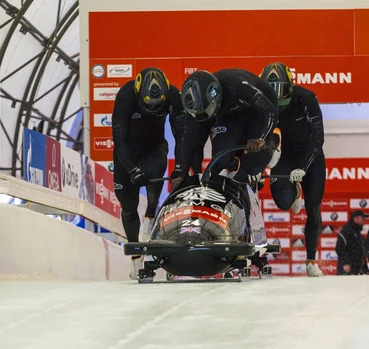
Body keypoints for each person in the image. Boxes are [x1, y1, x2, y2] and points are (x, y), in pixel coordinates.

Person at [111, 67, 186, 279]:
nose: (152, 109)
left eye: (157, 106)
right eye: (147, 105)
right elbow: (119, 140)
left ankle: (152, 217)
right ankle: (136, 255)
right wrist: (132, 169)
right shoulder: (125, 97)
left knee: (154, 180)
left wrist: (180, 166)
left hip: (154, 148)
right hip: (127, 152)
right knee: (128, 204)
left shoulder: (173, 96)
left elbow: (181, 134)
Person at [258, 62, 326, 277]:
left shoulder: (306, 98)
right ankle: (294, 191)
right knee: (283, 202)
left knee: (313, 207)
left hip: (310, 156)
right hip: (283, 156)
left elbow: (318, 137)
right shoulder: (259, 102)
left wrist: (304, 167)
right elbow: (256, 137)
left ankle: (311, 259)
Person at [171, 68, 280, 191]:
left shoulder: (239, 87)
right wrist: (181, 173)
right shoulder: (196, 107)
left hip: (259, 113)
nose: (203, 116)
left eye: (206, 110)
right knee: (220, 161)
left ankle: (273, 143)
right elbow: (189, 140)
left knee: (253, 163)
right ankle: (233, 167)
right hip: (229, 115)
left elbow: (269, 111)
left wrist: (262, 138)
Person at [335, 210, 368, 275]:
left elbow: (362, 253)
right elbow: (339, 248)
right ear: (356, 218)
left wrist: (366, 269)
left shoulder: (360, 235)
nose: (364, 220)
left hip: (357, 271)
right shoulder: (346, 230)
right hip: (346, 270)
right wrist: (345, 263)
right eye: (362, 218)